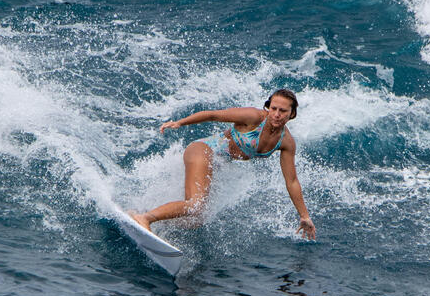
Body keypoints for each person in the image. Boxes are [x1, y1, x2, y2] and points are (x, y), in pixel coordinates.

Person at [131, 88, 316, 240]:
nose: (276, 114)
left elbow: (291, 181)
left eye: (282, 111)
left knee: (197, 219)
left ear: (292, 114)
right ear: (268, 107)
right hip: (203, 150)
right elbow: (213, 115)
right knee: (196, 204)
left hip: (215, 164)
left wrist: (304, 216)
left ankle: (147, 219)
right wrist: (180, 123)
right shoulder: (253, 117)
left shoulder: (286, 142)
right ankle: (145, 218)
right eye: (273, 108)